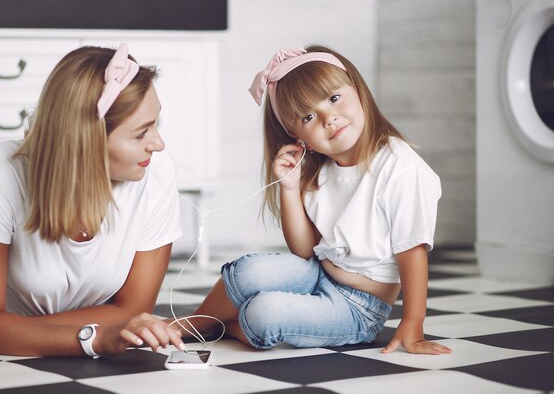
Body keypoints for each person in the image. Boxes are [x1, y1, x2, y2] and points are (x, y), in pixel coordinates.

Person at [184, 45, 452, 355]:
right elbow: (304, 250)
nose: (329, 117)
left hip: (358, 308)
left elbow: (412, 250)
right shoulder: (320, 172)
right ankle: (195, 321)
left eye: (334, 98)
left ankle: (226, 326)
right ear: (297, 137)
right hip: (318, 273)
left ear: (358, 88)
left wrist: (413, 322)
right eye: (308, 116)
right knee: (248, 271)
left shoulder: (399, 166)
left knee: (265, 313)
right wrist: (288, 189)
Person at [0, 43, 186, 357]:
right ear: (87, 140)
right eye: (140, 133)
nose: (158, 144)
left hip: (24, 302)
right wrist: (95, 338)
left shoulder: (155, 170)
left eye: (155, 124)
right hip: (17, 273)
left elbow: (133, 310)